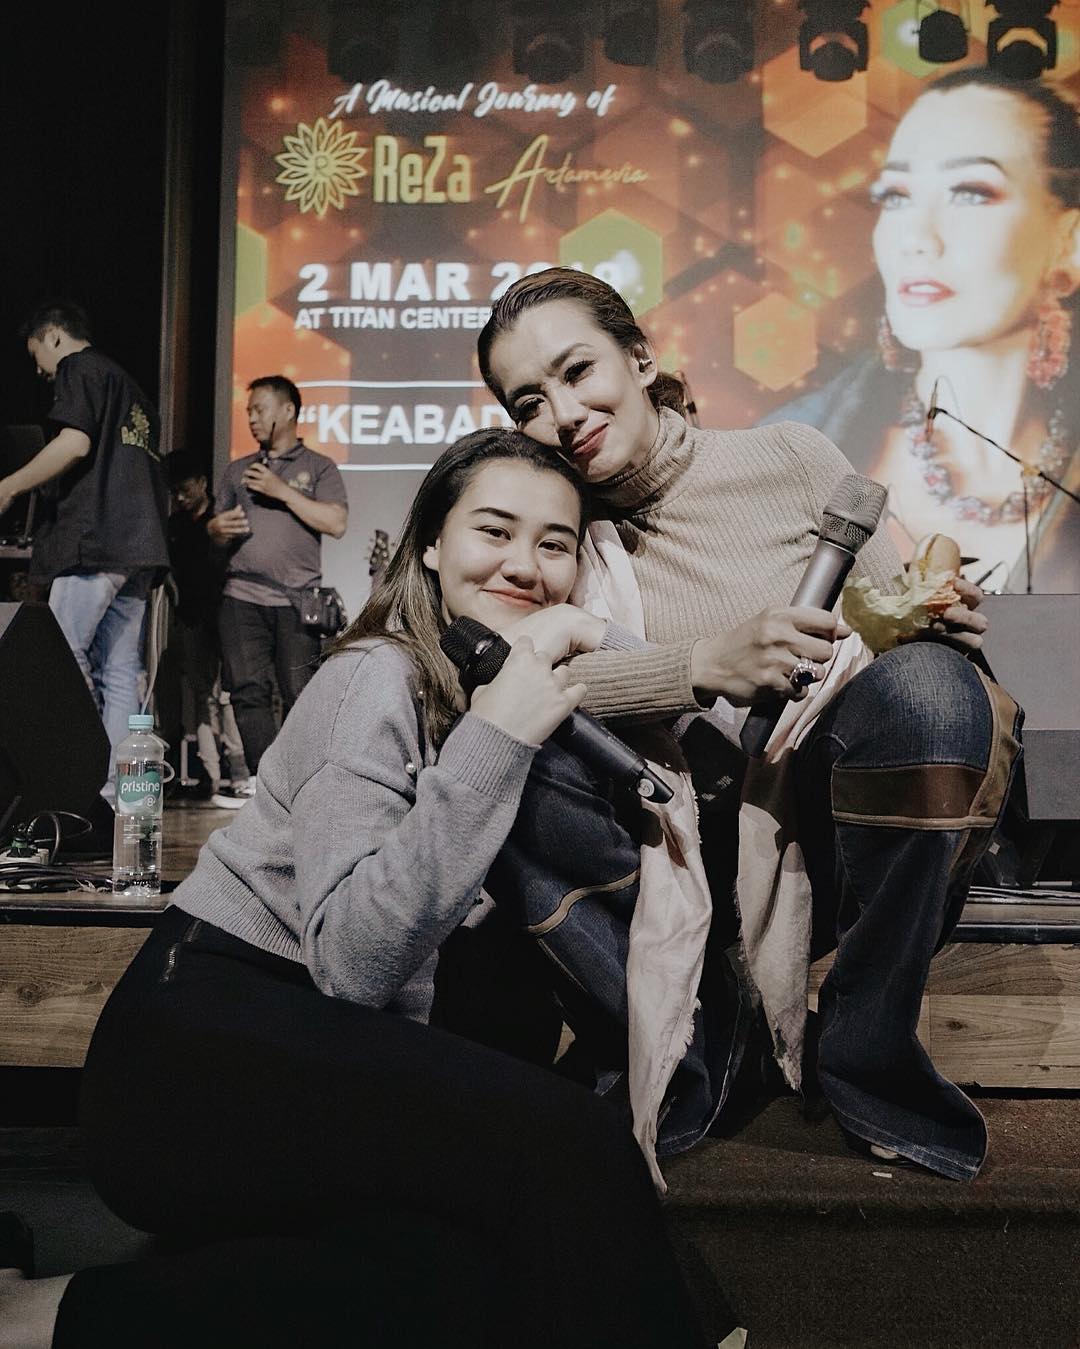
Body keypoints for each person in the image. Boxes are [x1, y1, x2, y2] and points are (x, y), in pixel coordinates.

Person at [0, 429, 720, 1349]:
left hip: (311, 1043)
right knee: (570, 1145)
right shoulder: (375, 676)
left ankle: (38, 1314)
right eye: (494, 531)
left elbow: (658, 679)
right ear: (432, 544)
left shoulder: (495, 677)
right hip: (193, 1057)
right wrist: (497, 735)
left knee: (459, 1272)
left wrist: (647, 652)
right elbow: (352, 961)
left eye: (555, 544)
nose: (525, 565)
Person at [477, 267, 1022, 1182]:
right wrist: (699, 667)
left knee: (932, 690)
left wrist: (937, 622)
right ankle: (703, 1032)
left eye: (577, 371)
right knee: (527, 760)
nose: (563, 414)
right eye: (529, 401)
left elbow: (890, 632)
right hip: (666, 847)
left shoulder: (792, 459)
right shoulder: (549, 522)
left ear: (640, 357)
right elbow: (508, 686)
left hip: (819, 833)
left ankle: (865, 1045)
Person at [761, 69, 1080, 594]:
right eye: (896, 195)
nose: (916, 237)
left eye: (970, 192)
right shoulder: (792, 453)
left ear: (1068, 241)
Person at [0, 302, 169, 789]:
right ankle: (118, 789)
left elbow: (74, 444)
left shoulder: (78, 367)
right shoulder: (132, 389)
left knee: (61, 653)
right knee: (121, 670)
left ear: (54, 336)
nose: (39, 370)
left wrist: (10, 486)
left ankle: (78, 775)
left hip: (95, 541)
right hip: (139, 546)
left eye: (37, 354)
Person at [207, 375, 348, 790]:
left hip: (297, 599)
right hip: (241, 595)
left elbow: (336, 522)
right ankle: (262, 780)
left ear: (288, 411)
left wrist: (282, 490)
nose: (252, 418)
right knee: (246, 690)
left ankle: (301, 784)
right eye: (248, 411)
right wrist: (215, 530)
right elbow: (215, 532)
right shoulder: (237, 471)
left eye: (260, 409)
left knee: (300, 693)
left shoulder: (319, 467)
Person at [164, 451, 250, 805]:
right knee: (203, 697)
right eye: (175, 492)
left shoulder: (222, 516)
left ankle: (240, 773)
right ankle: (210, 776)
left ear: (201, 483)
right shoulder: (175, 526)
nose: (181, 497)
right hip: (193, 618)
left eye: (185, 489)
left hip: (228, 614)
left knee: (229, 695)